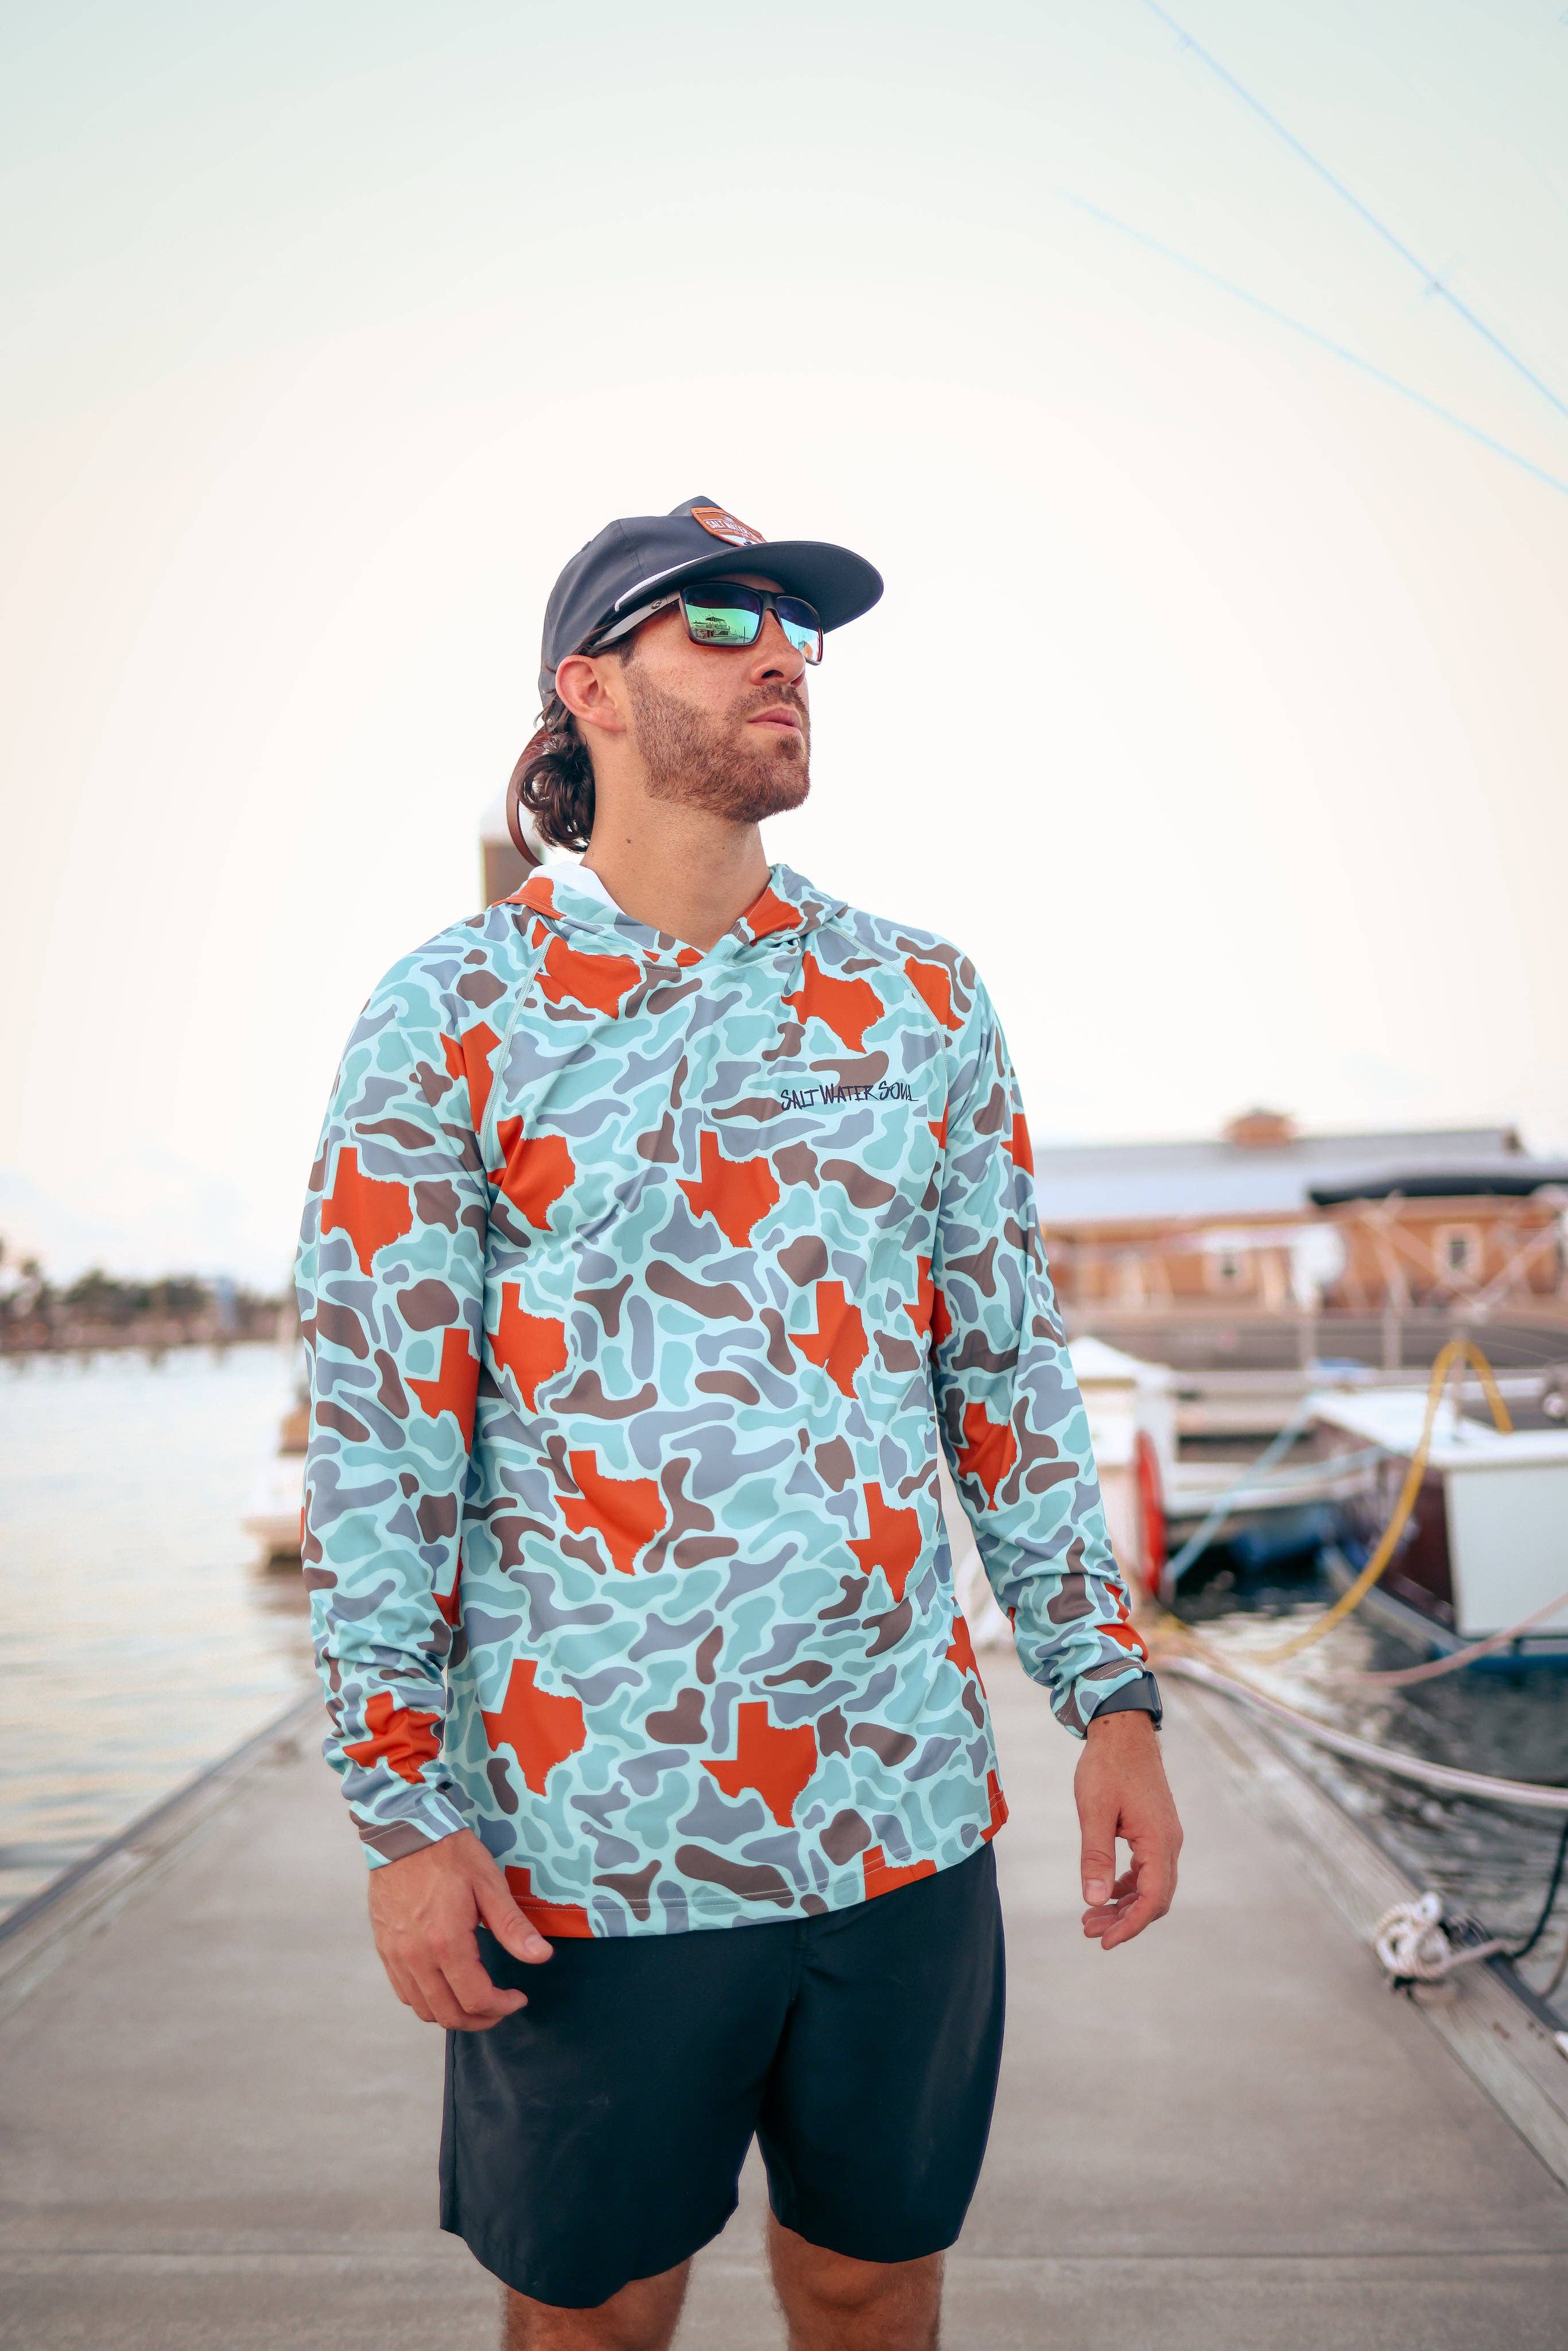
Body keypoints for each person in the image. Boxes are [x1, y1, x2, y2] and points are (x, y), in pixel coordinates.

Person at [296, 495, 1182, 2351]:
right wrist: (399, 1813)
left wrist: (1108, 1698)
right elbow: (383, 1442)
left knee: (871, 2283)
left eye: (794, 623)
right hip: (589, 1839)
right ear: (588, 689)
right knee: (600, 2313)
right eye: (715, 619)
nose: (777, 651)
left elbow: (1002, 1373)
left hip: (899, 1813)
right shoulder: (451, 1015)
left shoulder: (918, 998)